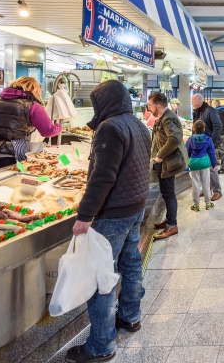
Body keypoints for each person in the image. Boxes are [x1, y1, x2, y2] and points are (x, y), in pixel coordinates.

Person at [67, 80, 150, 363]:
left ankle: (101, 344)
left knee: (100, 277)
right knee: (131, 265)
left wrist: (85, 215)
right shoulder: (139, 125)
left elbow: (103, 176)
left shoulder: (110, 127)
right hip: (136, 207)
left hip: (113, 214)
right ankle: (131, 316)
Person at [0, 77, 62, 170]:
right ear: (35, 90)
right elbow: (48, 131)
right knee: (8, 182)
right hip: (12, 154)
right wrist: (59, 126)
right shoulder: (32, 106)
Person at [150, 92, 186, 240]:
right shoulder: (165, 116)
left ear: (158, 106)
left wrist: (160, 156)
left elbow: (175, 138)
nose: (149, 108)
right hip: (166, 162)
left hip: (167, 163)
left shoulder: (168, 118)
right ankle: (169, 220)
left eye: (150, 105)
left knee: (169, 194)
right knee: (166, 193)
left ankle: (172, 225)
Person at [191, 93, 223, 200]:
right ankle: (206, 190)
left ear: (197, 101)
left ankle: (217, 191)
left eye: (192, 101)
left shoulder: (209, 110)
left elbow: (218, 125)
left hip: (209, 144)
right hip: (202, 143)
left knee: (212, 168)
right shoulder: (198, 112)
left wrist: (211, 142)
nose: (191, 103)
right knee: (206, 168)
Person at [186, 120, 216, 211]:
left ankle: (196, 205)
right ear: (203, 128)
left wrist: (187, 164)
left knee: (195, 184)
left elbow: (187, 152)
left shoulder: (190, 139)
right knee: (206, 184)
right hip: (204, 163)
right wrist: (214, 163)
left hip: (194, 163)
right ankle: (208, 203)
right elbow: (212, 152)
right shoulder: (208, 139)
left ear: (194, 129)